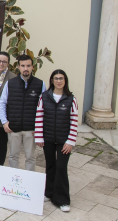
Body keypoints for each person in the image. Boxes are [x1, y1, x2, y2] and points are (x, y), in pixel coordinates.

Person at [35, 70, 78, 213]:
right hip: (48, 138)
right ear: (52, 80)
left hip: (63, 140)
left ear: (65, 81)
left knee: (61, 167)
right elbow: (39, 117)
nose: (59, 81)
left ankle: (63, 200)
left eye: (61, 78)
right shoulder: (44, 97)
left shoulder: (71, 99)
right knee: (50, 165)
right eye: (56, 78)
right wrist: (39, 137)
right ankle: (49, 192)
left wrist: (70, 141)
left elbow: (74, 121)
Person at [0, 54, 46, 171]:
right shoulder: (10, 83)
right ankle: (13, 181)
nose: (26, 68)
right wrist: (4, 122)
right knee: (13, 156)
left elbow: (44, 108)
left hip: (31, 129)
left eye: (28, 66)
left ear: (32, 67)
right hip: (13, 127)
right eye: (23, 66)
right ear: (18, 67)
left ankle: (28, 182)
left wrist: (40, 128)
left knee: (30, 157)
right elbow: (2, 103)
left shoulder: (40, 84)